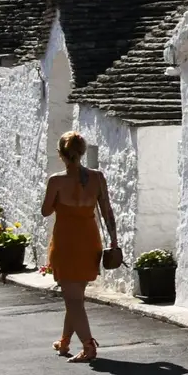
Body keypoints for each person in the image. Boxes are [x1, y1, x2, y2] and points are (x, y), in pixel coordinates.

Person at [41, 131, 117, 363]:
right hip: (89, 240)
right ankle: (64, 341)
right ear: (82, 152)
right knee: (75, 297)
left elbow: (46, 211)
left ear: (61, 154)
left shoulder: (56, 181)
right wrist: (114, 240)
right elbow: (107, 212)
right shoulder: (97, 178)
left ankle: (88, 346)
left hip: (66, 241)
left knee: (72, 298)